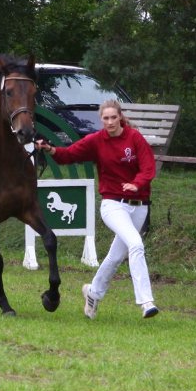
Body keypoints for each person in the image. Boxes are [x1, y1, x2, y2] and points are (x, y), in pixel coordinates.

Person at [37, 98, 159, 319]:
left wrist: (137, 184)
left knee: (114, 258)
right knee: (136, 245)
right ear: (101, 119)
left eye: (114, 117)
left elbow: (148, 168)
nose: (110, 122)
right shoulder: (96, 141)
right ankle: (146, 302)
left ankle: (92, 293)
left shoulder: (134, 138)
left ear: (120, 117)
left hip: (139, 206)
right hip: (113, 204)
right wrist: (51, 150)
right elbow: (70, 154)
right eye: (106, 118)